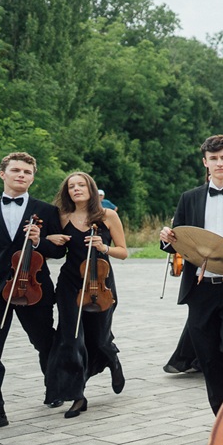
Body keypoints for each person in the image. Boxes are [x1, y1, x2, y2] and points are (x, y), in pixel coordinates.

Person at [160, 136, 223, 415]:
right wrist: (166, 239)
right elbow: (177, 241)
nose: (219, 163)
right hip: (200, 287)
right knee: (206, 354)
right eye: (213, 159)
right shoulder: (189, 198)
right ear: (205, 162)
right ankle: (222, 415)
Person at [0, 152, 66, 431]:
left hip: (34, 288)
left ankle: (55, 388)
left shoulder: (46, 211)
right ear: (2, 174)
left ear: (33, 177)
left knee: (44, 341)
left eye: (27, 172)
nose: (22, 175)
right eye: (16, 170)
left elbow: (59, 249)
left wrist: (40, 241)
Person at [44, 171, 127, 419]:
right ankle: (77, 396)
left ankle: (112, 360)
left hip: (100, 282)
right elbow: (52, 251)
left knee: (99, 338)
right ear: (67, 191)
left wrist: (105, 247)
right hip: (70, 282)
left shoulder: (107, 215)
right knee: (71, 338)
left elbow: (123, 252)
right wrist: (49, 237)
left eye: (81, 185)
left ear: (91, 188)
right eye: (72, 186)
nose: (76, 189)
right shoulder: (61, 216)